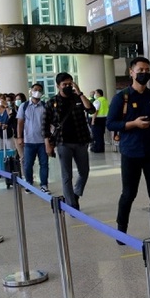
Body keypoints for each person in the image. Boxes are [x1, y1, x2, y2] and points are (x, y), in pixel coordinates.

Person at [106, 57, 150, 249]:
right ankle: (121, 231)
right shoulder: (122, 97)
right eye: (140, 69)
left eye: (147, 69)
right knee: (129, 193)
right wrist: (133, 124)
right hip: (130, 152)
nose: (144, 73)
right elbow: (110, 123)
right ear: (131, 72)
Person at [43, 73, 95, 210]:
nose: (67, 86)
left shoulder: (78, 99)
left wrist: (80, 93)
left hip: (81, 141)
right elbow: (44, 125)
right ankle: (72, 205)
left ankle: (75, 194)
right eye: (64, 84)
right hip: (63, 142)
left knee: (84, 171)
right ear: (58, 86)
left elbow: (91, 109)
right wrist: (47, 144)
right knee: (67, 175)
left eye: (69, 84)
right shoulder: (52, 102)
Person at [16, 84, 49, 193]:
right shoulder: (24, 106)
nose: (37, 92)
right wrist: (19, 137)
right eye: (35, 90)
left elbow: (50, 123)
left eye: (40, 90)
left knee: (44, 164)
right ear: (30, 91)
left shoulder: (45, 106)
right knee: (28, 164)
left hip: (43, 141)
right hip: (29, 141)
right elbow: (20, 122)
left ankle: (44, 184)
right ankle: (29, 183)